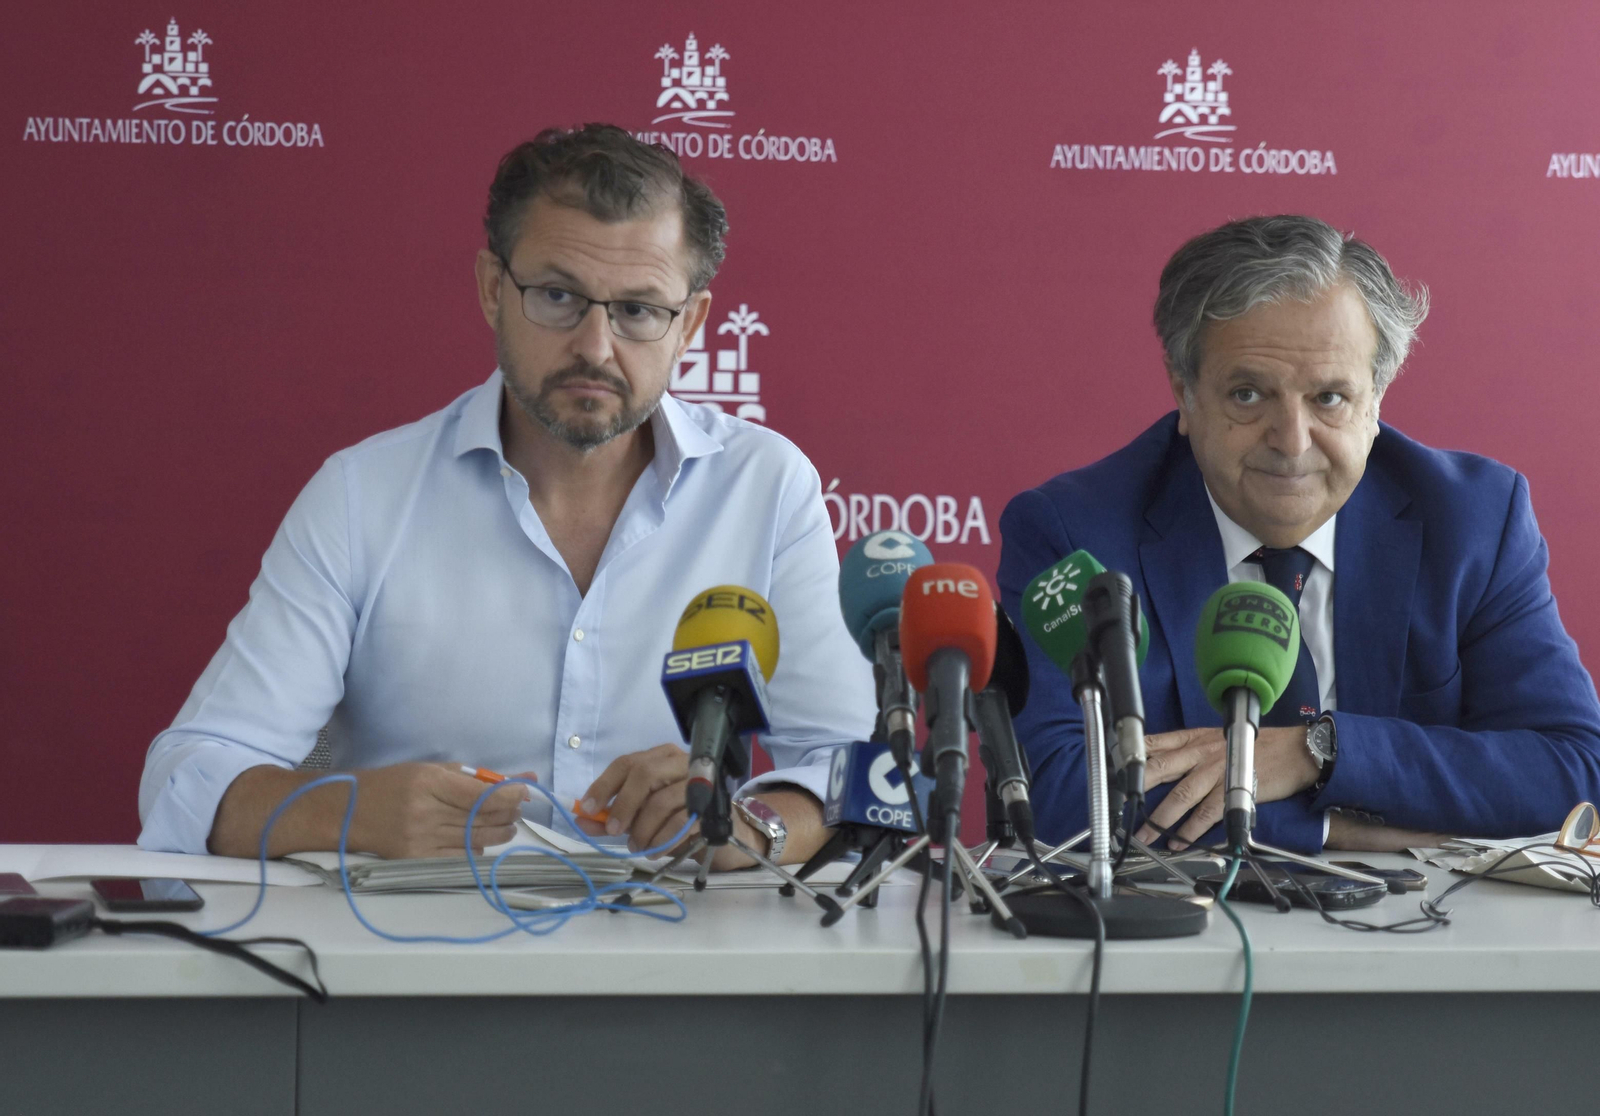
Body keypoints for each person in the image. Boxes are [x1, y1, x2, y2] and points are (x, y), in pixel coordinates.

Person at [138, 124, 876, 867]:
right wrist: (350, 811)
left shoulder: (766, 486)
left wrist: (750, 827)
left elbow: (858, 772)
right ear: (493, 290)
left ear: (690, 324)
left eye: (639, 310)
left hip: (678, 952)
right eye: (557, 296)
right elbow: (187, 777)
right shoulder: (364, 496)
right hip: (414, 959)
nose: (595, 345)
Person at [998, 214, 1600, 854]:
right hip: (1173, 937)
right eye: (1249, 394)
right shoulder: (1075, 534)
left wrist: (1320, 750)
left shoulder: (1473, 520)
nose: (1292, 442)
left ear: (1377, 403)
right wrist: (1330, 830)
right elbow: (1055, 791)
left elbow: (1574, 770)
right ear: (1185, 392)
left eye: (1330, 398)